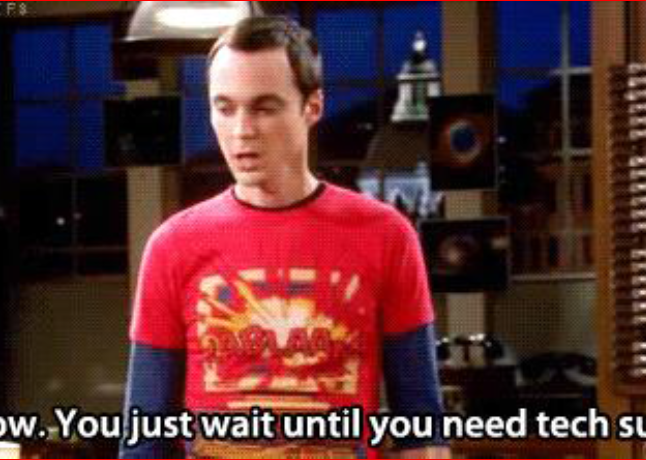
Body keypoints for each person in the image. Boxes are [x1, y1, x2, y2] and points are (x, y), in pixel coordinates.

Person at [121, 16, 449, 459]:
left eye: (264, 108)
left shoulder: (386, 235)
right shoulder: (173, 245)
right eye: (225, 108)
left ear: (312, 107)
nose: (242, 130)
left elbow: (421, 428)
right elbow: (144, 436)